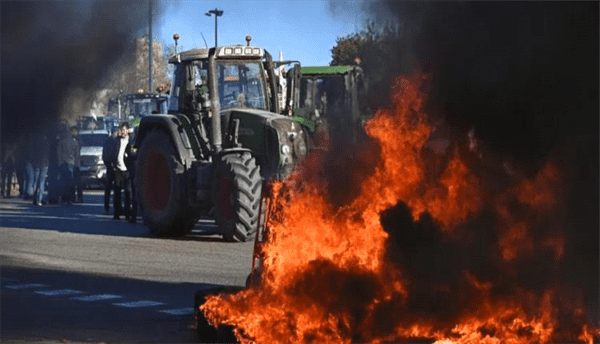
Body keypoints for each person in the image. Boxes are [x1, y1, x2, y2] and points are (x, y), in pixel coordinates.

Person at [109, 122, 131, 220]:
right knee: (117, 192)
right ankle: (117, 213)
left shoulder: (132, 142)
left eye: (124, 130)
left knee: (128, 192)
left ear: (128, 130)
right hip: (118, 170)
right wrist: (113, 166)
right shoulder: (116, 141)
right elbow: (112, 153)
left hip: (127, 171)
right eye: (121, 130)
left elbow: (134, 154)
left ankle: (127, 213)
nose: (123, 132)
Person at [57, 126, 80, 205]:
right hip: (71, 163)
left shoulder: (62, 142)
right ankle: (71, 198)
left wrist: (60, 163)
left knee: (63, 182)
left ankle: (64, 198)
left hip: (63, 163)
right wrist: (76, 164)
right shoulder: (74, 142)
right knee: (71, 182)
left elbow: (59, 153)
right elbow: (77, 154)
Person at [31, 135, 50, 206]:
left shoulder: (36, 145)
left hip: (37, 164)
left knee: (35, 182)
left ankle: (34, 199)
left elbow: (33, 154)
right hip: (45, 164)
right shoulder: (47, 144)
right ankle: (40, 199)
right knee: (42, 182)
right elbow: (48, 155)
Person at [102, 130, 117, 215]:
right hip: (114, 167)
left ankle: (107, 206)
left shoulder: (107, 142)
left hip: (110, 167)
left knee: (108, 188)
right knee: (116, 188)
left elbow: (104, 156)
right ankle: (114, 206)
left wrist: (108, 165)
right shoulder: (115, 141)